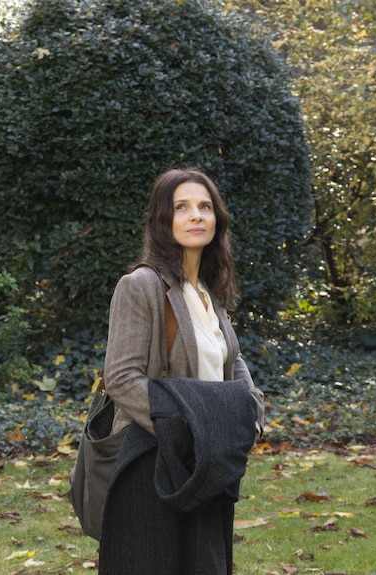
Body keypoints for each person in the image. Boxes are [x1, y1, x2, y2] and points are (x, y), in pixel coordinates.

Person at [99, 168, 265, 574]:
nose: (196, 216)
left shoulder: (209, 291)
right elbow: (121, 378)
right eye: (182, 207)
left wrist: (252, 412)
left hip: (207, 461)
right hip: (152, 462)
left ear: (217, 219)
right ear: (163, 219)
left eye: (205, 207)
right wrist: (183, 427)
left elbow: (233, 361)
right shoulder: (140, 286)